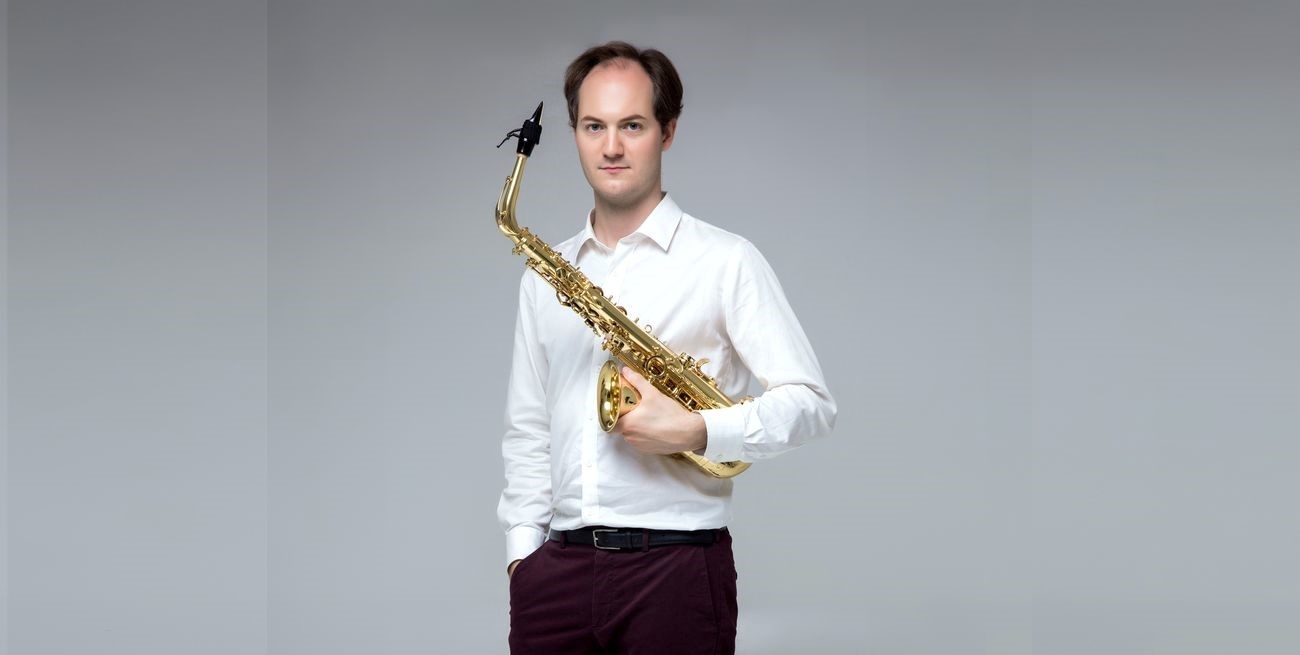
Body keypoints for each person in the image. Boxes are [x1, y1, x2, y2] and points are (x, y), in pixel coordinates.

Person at [498, 41, 836, 654]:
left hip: (676, 571)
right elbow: (528, 430)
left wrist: (698, 430)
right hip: (557, 576)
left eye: (632, 125)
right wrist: (523, 559)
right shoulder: (543, 277)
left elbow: (811, 405)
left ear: (667, 132)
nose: (612, 147)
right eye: (594, 126)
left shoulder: (726, 261)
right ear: (574, 134)